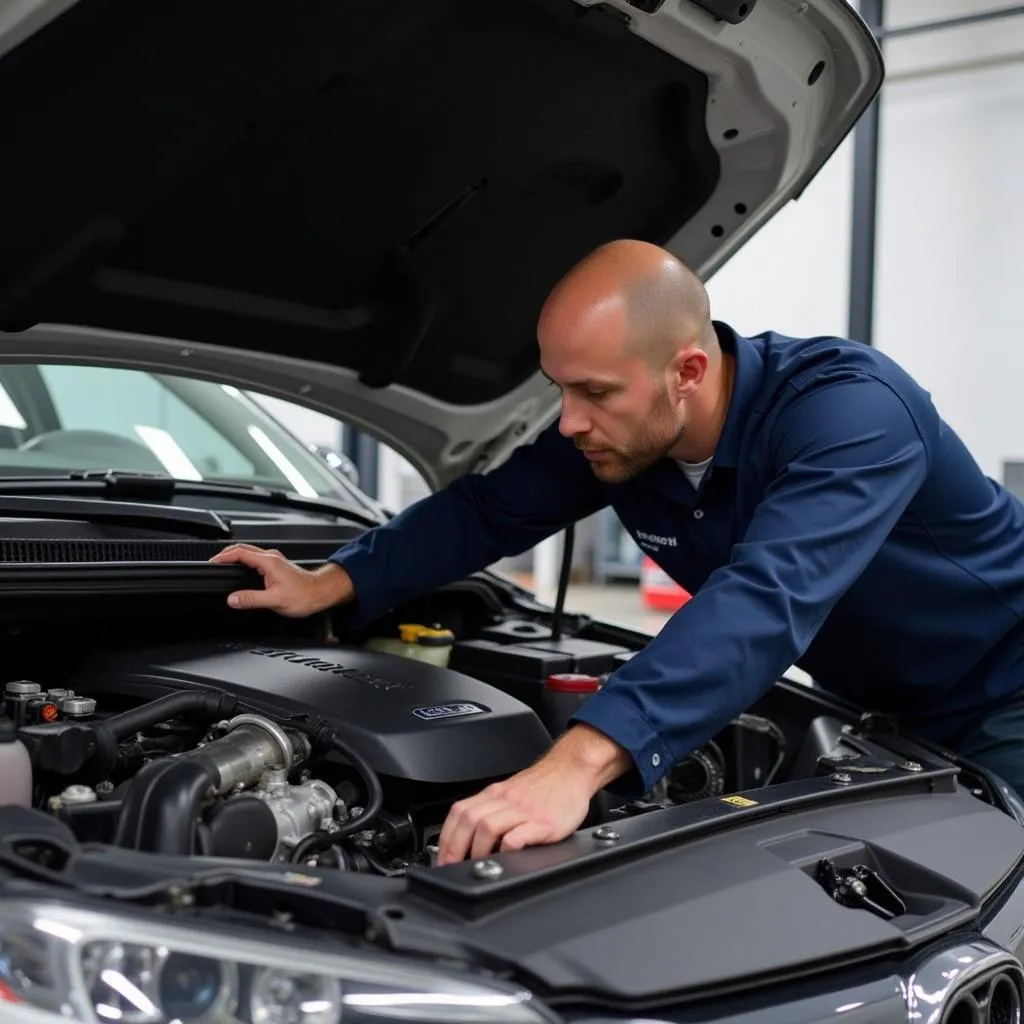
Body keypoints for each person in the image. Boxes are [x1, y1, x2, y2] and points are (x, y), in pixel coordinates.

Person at [210, 239, 1024, 866]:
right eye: (560, 389)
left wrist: (578, 764)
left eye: (595, 392)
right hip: (880, 700)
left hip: (1004, 686)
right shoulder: (620, 435)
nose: (569, 422)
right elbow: (488, 509)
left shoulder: (852, 413)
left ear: (688, 371)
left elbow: (766, 597)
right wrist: (335, 581)